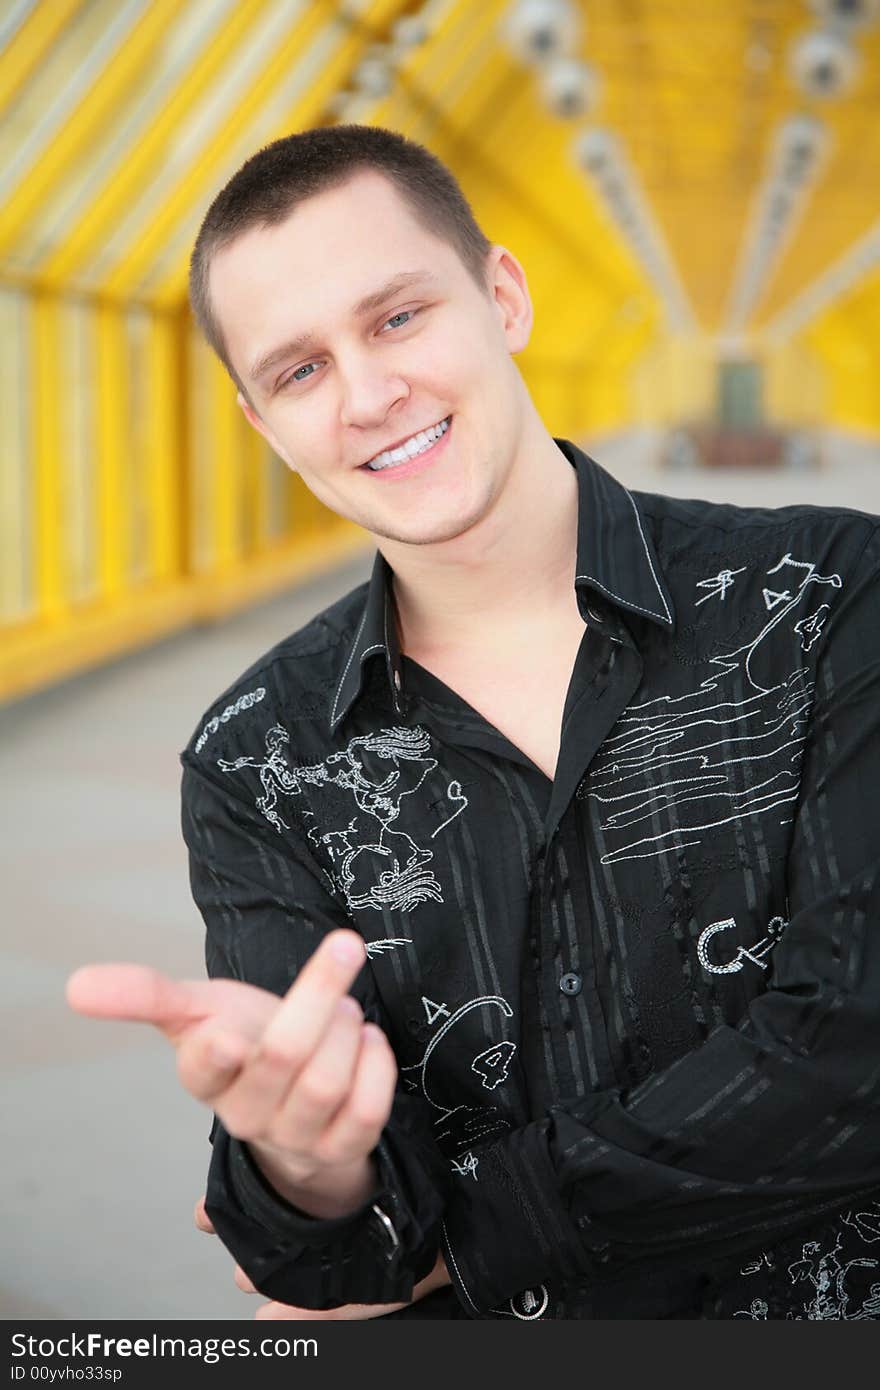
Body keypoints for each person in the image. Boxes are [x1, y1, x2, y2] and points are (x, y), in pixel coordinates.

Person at [67, 124, 880, 1321]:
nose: (368, 395)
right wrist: (305, 1166)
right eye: (299, 370)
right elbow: (329, 1257)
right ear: (260, 425)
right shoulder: (255, 757)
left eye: (397, 317)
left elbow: (854, 1050)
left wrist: (456, 1233)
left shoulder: (825, 595)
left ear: (503, 295)